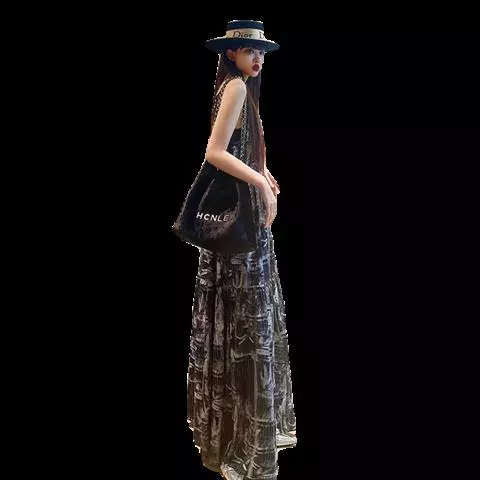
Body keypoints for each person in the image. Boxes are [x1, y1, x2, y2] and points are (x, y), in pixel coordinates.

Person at [185, 20, 297, 480]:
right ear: (231, 53)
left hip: (246, 218)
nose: (258, 58)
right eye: (251, 51)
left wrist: (264, 171)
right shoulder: (234, 87)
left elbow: (246, 144)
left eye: (261, 51)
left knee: (242, 318)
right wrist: (260, 184)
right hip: (240, 223)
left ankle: (239, 429)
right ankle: (240, 436)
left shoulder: (241, 88)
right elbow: (215, 152)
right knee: (245, 321)